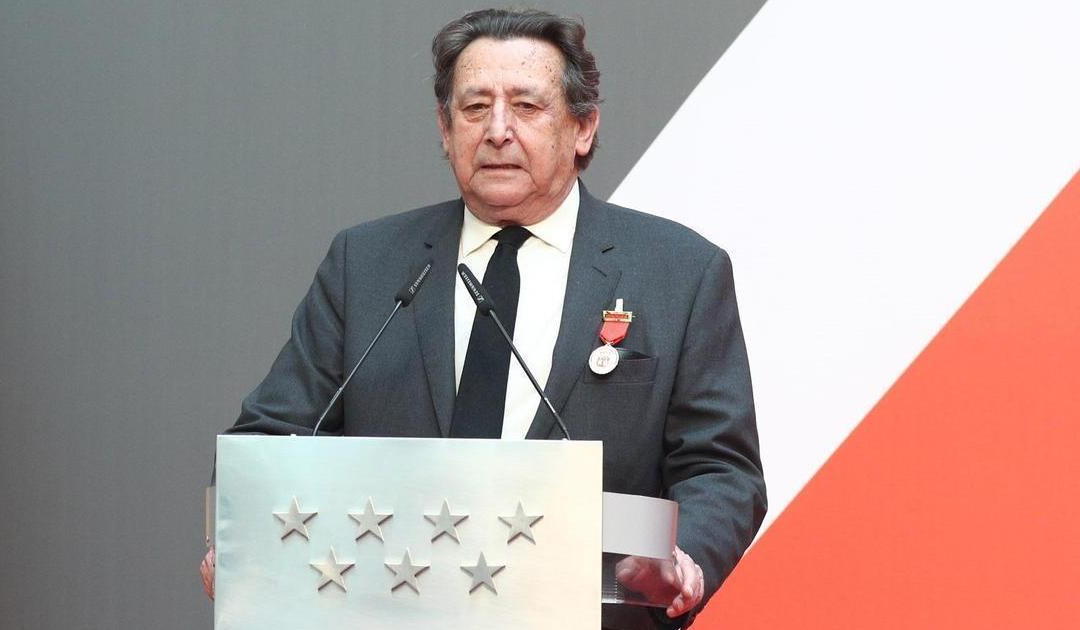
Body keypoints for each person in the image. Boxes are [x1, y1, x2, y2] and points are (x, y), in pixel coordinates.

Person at [201, 8, 765, 629]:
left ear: (582, 128)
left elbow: (721, 468)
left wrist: (685, 561)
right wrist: (239, 531)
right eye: (474, 108)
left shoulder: (679, 272)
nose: (498, 131)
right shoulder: (366, 263)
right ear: (445, 130)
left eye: (526, 106)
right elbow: (273, 435)